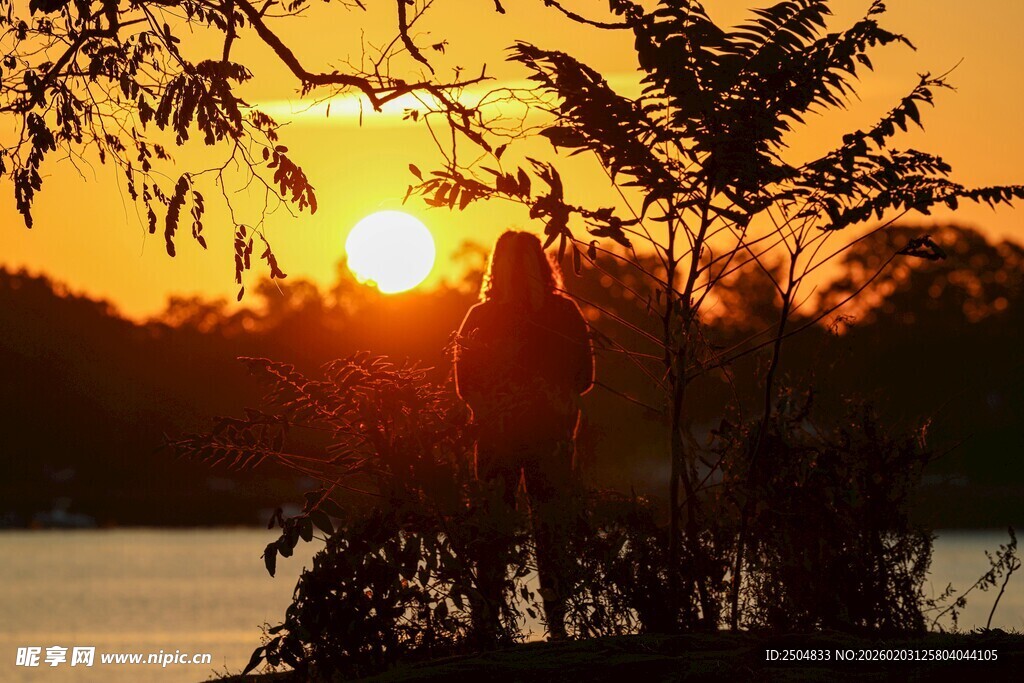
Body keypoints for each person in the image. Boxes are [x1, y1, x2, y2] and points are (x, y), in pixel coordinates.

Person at [453, 230, 595, 641]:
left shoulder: (555, 313)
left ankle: (526, 627)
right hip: (514, 438)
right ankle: (509, 626)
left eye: (521, 262)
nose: (517, 270)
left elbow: (582, 377)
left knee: (532, 531)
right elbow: (467, 384)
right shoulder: (490, 316)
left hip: (536, 437)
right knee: (520, 531)